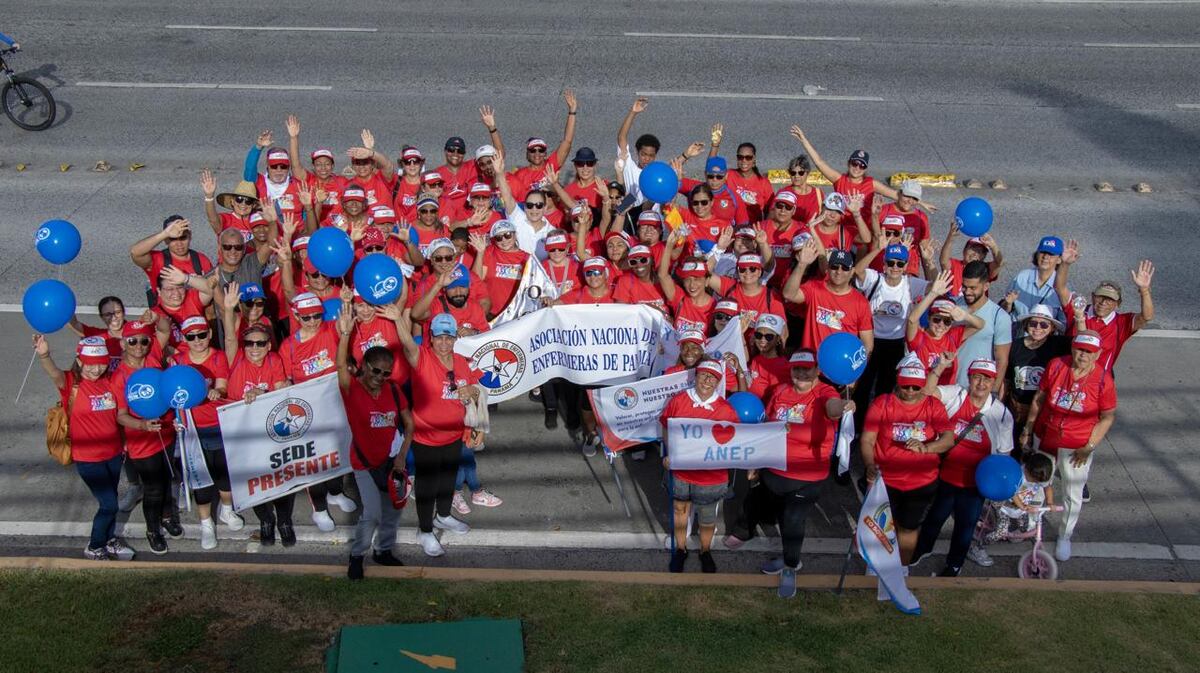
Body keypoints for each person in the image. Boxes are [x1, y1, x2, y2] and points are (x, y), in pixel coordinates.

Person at [34, 335, 136, 561]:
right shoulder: (72, 383)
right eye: (90, 364)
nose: (96, 369)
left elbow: (118, 415)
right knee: (109, 504)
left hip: (114, 454)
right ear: (79, 361)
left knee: (111, 499)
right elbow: (54, 373)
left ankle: (109, 539)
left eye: (101, 364)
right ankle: (95, 545)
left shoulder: (111, 381)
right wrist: (44, 355)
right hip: (88, 458)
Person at [762, 349, 853, 597]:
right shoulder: (780, 391)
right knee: (784, 519)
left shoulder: (825, 392)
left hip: (807, 476)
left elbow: (833, 408)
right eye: (797, 368)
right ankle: (788, 556)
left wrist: (844, 405)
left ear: (818, 370)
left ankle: (791, 567)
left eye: (807, 369)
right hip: (775, 471)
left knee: (794, 521)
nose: (801, 373)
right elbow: (765, 424)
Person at [912, 358, 1015, 577]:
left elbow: (1004, 454)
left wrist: (997, 486)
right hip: (945, 475)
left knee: (965, 526)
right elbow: (927, 393)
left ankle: (954, 564)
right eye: (977, 377)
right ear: (969, 378)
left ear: (994, 382)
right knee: (934, 517)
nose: (981, 384)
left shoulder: (1002, 414)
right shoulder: (956, 394)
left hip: (975, 483)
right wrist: (940, 367)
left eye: (987, 379)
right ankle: (922, 549)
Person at [1020, 330, 1116, 562]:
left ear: (1098, 354)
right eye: (1080, 349)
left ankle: (1065, 535)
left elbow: (1107, 417)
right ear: (1073, 348)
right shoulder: (1056, 366)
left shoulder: (1103, 380)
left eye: (1089, 352)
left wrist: (1089, 446)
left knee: (1072, 493)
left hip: (1076, 445)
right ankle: (1032, 521)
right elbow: (1039, 398)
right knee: (1036, 482)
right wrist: (1028, 429)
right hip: (1046, 435)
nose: (1083, 355)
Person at [334, 306, 414, 579]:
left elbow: (409, 424)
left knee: (393, 510)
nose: (380, 377)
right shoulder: (351, 389)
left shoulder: (393, 390)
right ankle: (357, 556)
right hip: (364, 463)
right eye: (376, 371)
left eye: (386, 373)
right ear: (365, 367)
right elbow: (340, 366)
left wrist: (402, 456)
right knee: (372, 513)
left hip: (391, 461)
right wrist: (345, 333)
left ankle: (383, 550)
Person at [393, 311, 481, 557]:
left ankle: (443, 516)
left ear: (455, 338)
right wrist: (398, 319)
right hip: (426, 438)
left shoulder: (462, 361)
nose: (444, 343)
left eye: (449, 337)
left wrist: (472, 391)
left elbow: (478, 389)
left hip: (453, 434)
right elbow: (407, 343)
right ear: (430, 338)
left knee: (448, 480)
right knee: (427, 486)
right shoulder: (421, 357)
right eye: (439, 337)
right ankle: (424, 530)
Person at [860, 358, 955, 564]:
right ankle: (876, 565)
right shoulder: (883, 403)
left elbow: (948, 439)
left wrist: (926, 448)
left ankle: (902, 567)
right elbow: (868, 440)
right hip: (886, 481)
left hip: (921, 482)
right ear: (898, 382)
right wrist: (869, 465)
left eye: (916, 387)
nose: (910, 391)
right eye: (906, 386)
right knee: (880, 527)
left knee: (908, 528)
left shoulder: (933, 405)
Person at [276, 292, 358, 531]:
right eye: (306, 317)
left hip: (335, 406)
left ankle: (336, 491)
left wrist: (346, 303)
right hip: (307, 414)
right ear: (296, 316)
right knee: (313, 462)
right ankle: (319, 508)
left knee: (336, 453)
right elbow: (284, 380)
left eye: (316, 316)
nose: (312, 321)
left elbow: (344, 326)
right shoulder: (289, 347)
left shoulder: (330, 330)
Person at [660, 359, 739, 573]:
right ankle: (681, 549)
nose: (706, 380)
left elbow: (736, 442)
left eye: (713, 378)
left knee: (707, 516)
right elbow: (666, 426)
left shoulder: (726, 410)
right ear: (696, 376)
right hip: (681, 471)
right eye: (703, 374)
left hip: (710, 476)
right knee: (680, 510)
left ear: (718, 382)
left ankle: (705, 551)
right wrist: (669, 452)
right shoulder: (679, 401)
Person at [223, 321, 296, 547]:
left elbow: (282, 389)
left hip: (271, 432)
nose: (254, 347)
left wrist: (262, 392)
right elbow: (229, 338)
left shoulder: (274, 360)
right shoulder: (236, 360)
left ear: (268, 346)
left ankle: (284, 521)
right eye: (249, 343)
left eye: (260, 343)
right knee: (253, 480)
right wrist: (228, 311)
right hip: (242, 433)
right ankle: (265, 520)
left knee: (280, 477)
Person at [172, 316, 238, 550]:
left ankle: (227, 511)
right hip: (192, 428)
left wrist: (216, 392)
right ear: (184, 339)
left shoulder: (218, 357)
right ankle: (206, 524)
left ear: (209, 334)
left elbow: (222, 386)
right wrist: (176, 420)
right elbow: (173, 395)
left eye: (201, 335)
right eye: (191, 337)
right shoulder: (178, 362)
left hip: (217, 424)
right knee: (200, 479)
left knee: (223, 473)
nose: (197, 340)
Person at [112, 319, 176, 554]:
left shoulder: (152, 357)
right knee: (153, 488)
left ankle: (167, 517)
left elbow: (165, 329)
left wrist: (156, 317)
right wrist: (142, 425)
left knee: (167, 478)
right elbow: (120, 415)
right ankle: (153, 530)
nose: (138, 345)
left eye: (143, 340)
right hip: (141, 440)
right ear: (123, 343)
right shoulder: (119, 376)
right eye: (132, 341)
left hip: (165, 431)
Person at [852, 239, 932, 418]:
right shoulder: (875, 278)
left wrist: (928, 261)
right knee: (863, 386)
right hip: (871, 341)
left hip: (896, 343)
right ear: (884, 263)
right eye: (891, 262)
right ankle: (857, 426)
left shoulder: (910, 284)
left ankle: (879, 424)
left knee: (886, 389)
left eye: (900, 264)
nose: (895, 267)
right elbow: (858, 271)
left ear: (905, 266)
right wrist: (878, 249)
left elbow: (935, 286)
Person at [1054, 240, 1155, 373]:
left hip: (1098, 382)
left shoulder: (1121, 323)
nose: (1103, 303)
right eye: (1100, 297)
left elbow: (1147, 317)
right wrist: (1065, 264)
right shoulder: (1079, 309)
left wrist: (1144, 290)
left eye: (1110, 300)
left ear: (1117, 304)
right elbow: (1060, 288)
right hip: (1068, 375)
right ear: (1093, 296)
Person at [781, 241, 874, 355]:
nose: (839, 271)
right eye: (834, 267)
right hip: (811, 362)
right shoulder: (814, 288)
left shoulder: (861, 303)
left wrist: (857, 364)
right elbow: (788, 294)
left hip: (841, 363)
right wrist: (801, 264)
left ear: (852, 272)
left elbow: (867, 344)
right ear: (828, 269)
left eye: (845, 268)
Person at [1004, 304, 1070, 449]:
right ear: (1026, 325)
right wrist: (1001, 407)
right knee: (1012, 449)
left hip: (1043, 412)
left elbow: (1081, 345)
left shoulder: (1058, 345)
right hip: (1016, 410)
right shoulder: (1015, 346)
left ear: (1052, 328)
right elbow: (1007, 380)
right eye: (1033, 323)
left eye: (1044, 324)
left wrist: (1079, 317)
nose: (1038, 328)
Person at [905, 271, 985, 385]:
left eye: (947, 321)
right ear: (929, 318)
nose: (941, 325)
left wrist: (965, 316)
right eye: (937, 319)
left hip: (945, 392)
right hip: (920, 391)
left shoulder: (952, 337)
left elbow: (980, 325)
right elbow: (912, 320)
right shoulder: (919, 338)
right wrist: (932, 293)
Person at [976, 453, 1055, 558]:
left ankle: (1016, 536)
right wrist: (1022, 506)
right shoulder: (1017, 475)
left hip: (1021, 507)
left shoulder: (1038, 476)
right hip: (1003, 505)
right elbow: (1013, 493)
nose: (1037, 483)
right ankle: (979, 546)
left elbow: (1047, 487)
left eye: (1039, 482)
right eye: (1035, 481)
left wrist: (1050, 503)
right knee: (1001, 531)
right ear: (1026, 469)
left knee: (1025, 527)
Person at [955, 260, 1012, 393]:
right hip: (949, 385)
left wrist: (993, 392)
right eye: (964, 287)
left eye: (973, 288)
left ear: (986, 286)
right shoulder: (954, 306)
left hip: (977, 390)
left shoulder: (1000, 316)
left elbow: (1001, 360)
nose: (967, 292)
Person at [129, 216, 214, 291]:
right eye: (173, 239)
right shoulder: (158, 259)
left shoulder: (201, 259)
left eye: (183, 238)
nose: (179, 244)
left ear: (190, 236)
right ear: (166, 240)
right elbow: (135, 253)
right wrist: (165, 234)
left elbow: (213, 289)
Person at [1004, 235, 1067, 322]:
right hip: (1017, 328)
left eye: (1051, 254)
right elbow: (1004, 311)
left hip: (1043, 330)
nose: (1045, 257)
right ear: (1037, 254)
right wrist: (1008, 304)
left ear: (1059, 259)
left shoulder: (1063, 288)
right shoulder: (1021, 277)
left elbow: (1064, 322)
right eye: (1043, 252)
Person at [938, 221, 1002, 299]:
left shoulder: (985, 269)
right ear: (964, 250)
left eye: (980, 252)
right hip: (953, 305)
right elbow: (943, 261)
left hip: (977, 306)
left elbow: (999, 263)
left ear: (984, 256)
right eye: (973, 249)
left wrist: (993, 246)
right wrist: (950, 237)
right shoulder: (955, 265)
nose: (975, 254)